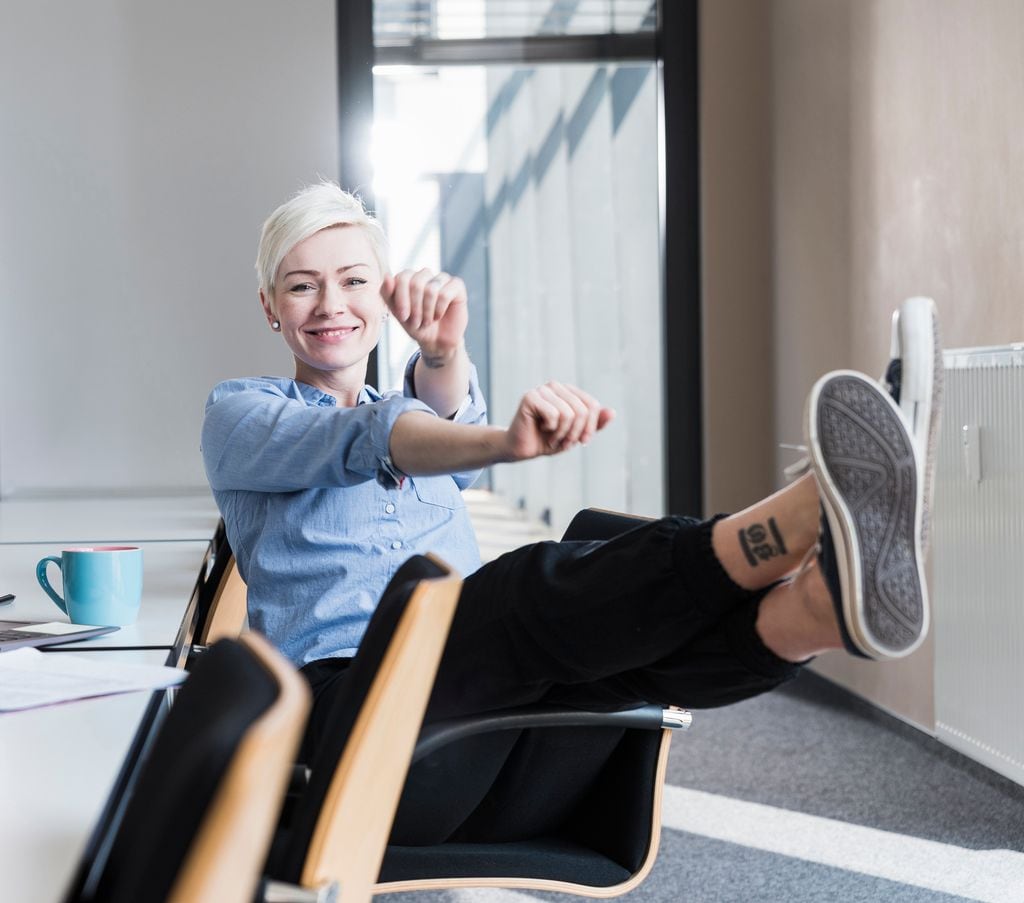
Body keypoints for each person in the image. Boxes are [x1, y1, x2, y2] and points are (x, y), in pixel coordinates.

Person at [201, 181, 940, 839]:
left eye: (353, 280)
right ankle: (815, 505)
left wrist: (443, 347)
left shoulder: (418, 410)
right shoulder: (239, 415)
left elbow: (431, 410)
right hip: (362, 751)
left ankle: (817, 611)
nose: (331, 304)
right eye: (302, 287)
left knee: (603, 615)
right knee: (508, 598)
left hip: (503, 767)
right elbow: (371, 438)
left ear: (381, 291)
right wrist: (504, 443)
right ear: (270, 306)